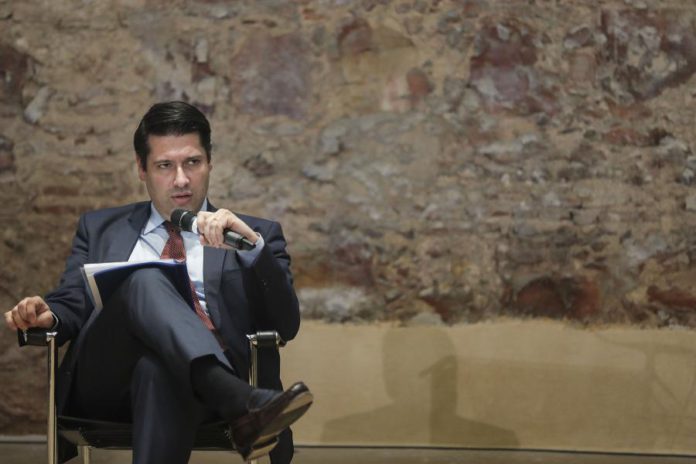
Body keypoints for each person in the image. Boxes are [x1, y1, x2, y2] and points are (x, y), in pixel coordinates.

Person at [3, 101, 312, 464]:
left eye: (192, 162)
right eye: (165, 166)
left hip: (195, 393)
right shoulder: (100, 228)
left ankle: (226, 392)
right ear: (142, 168)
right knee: (145, 278)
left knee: (159, 369)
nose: (181, 179)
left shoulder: (253, 235)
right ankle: (238, 400)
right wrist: (48, 315)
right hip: (107, 383)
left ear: (209, 162)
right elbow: (73, 301)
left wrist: (252, 248)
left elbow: (285, 326)